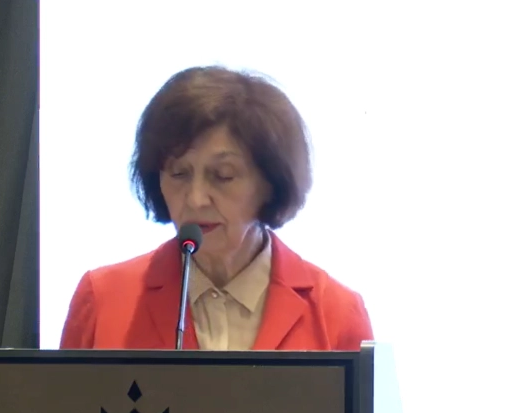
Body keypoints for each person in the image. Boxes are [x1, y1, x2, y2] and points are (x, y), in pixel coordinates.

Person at [60, 66, 373, 351]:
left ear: (270, 182)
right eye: (179, 173)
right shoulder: (104, 299)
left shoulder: (336, 312)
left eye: (223, 176)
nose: (196, 199)